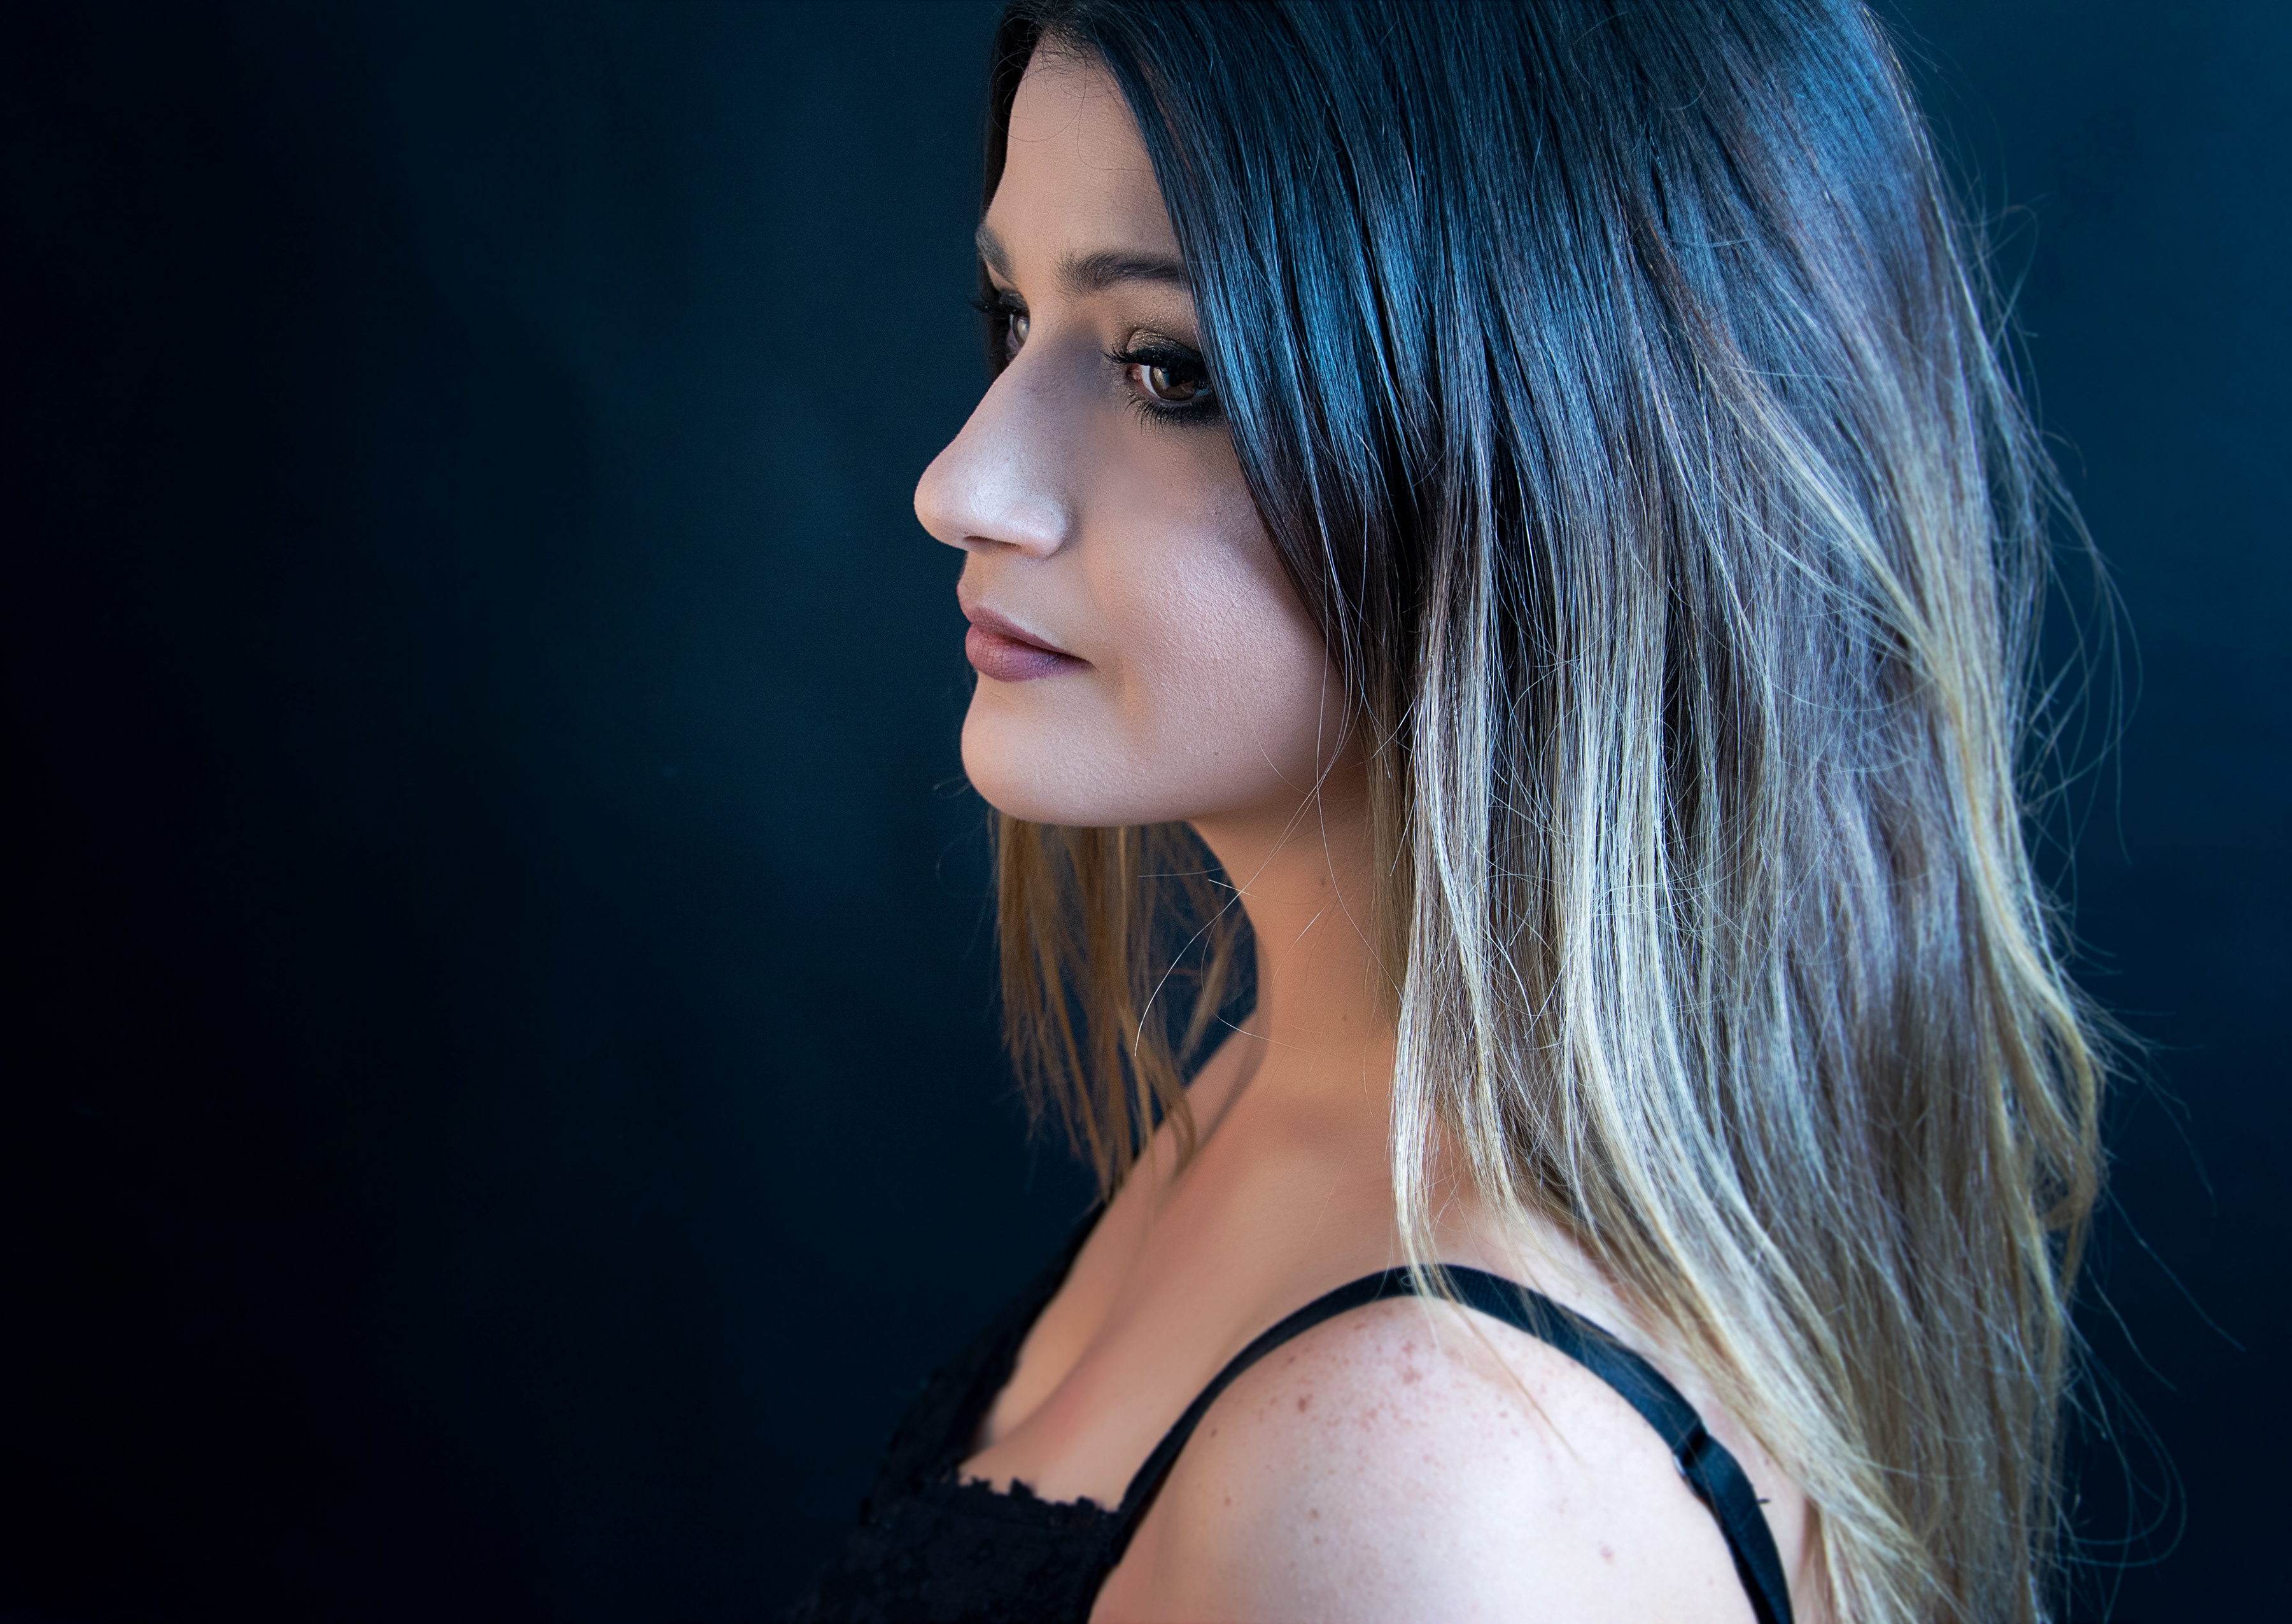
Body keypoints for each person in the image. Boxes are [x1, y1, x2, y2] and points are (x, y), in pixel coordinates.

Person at [796, 3, 2105, 1620]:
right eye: (1012, 315)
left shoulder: (1421, 1499)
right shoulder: (1308, 1078)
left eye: (1167, 368)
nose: (962, 481)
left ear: (1567, 451)